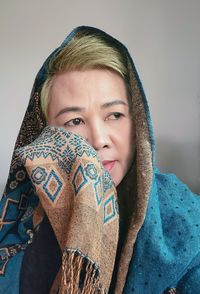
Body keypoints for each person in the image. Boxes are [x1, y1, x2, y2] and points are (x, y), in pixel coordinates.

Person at [0, 26, 200, 294]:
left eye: (114, 115)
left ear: (138, 123)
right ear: (46, 135)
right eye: (75, 121)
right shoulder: (19, 228)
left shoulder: (186, 221)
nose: (98, 140)